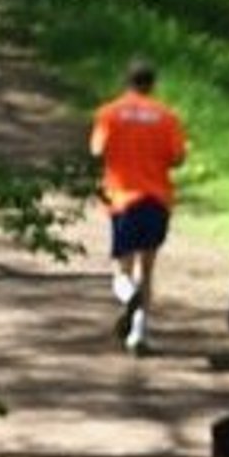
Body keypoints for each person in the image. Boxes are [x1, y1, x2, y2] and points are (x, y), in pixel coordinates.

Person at [90, 59, 188, 355]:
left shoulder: (109, 113)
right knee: (147, 268)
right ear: (152, 84)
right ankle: (138, 335)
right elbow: (178, 158)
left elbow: (97, 150)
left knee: (122, 267)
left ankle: (127, 294)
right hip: (156, 199)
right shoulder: (167, 116)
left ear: (127, 82)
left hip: (122, 199)